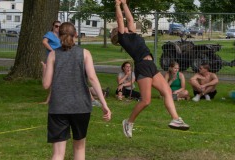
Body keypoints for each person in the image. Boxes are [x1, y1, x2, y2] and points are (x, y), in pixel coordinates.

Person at [112, 0, 189, 138]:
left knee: (167, 91)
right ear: (118, 33)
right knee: (146, 101)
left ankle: (176, 119)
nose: (125, 27)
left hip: (151, 64)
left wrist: (124, 4)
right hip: (142, 66)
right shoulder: (124, 38)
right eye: (119, 29)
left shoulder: (133, 34)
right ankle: (128, 122)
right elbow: (120, 19)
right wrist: (117, 5)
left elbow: (129, 18)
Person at [41, 22, 111, 160]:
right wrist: (104, 104)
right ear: (76, 34)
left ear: (59, 35)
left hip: (58, 108)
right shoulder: (85, 53)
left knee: (57, 154)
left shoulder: (53, 55)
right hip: (81, 107)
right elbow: (93, 78)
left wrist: (44, 71)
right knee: (79, 148)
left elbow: (46, 84)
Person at [40, 20, 62, 104]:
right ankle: (49, 100)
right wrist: (51, 50)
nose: (58, 28)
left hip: (60, 58)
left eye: (59, 26)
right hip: (52, 58)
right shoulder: (50, 34)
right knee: (51, 78)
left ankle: (50, 99)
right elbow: (44, 42)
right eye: (56, 26)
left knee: (56, 78)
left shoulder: (61, 36)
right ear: (53, 26)